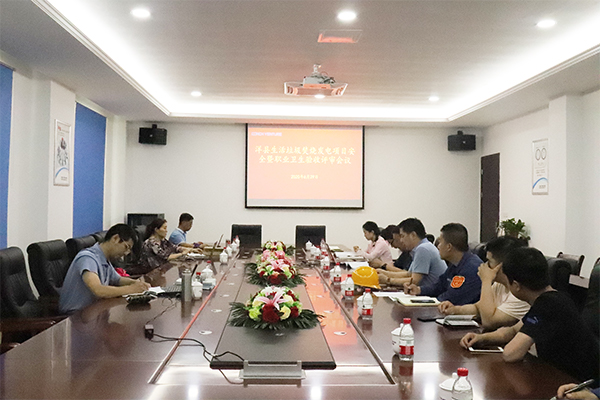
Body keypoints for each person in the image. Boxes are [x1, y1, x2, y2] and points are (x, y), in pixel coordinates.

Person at [460, 247, 599, 384]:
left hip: (581, 384)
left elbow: (511, 354)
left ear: (516, 285)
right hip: (562, 377)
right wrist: (481, 338)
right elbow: (512, 331)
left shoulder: (549, 304)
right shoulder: (551, 298)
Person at [438, 236, 530, 330]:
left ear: (502, 266)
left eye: (489, 261)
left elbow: (489, 322)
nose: (484, 266)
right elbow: (478, 308)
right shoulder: (500, 285)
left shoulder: (520, 292)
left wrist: (486, 280)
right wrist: (455, 310)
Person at [59, 224, 151, 314]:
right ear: (115, 238)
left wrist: (136, 283)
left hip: (94, 311)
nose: (126, 253)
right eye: (126, 247)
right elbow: (98, 290)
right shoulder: (88, 258)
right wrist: (131, 289)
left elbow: (118, 280)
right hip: (75, 316)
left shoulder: (104, 259)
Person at [404, 223, 482, 305]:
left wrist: (431, 301)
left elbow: (452, 298)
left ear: (449, 247)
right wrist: (419, 290)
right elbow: (439, 286)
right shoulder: (455, 264)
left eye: (440, 242)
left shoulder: (471, 269)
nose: (438, 246)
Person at [378, 218, 447, 287]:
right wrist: (384, 273)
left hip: (433, 292)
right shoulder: (421, 248)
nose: (401, 240)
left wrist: (388, 280)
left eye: (402, 236)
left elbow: (414, 281)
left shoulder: (423, 249)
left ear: (413, 235)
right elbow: (408, 274)